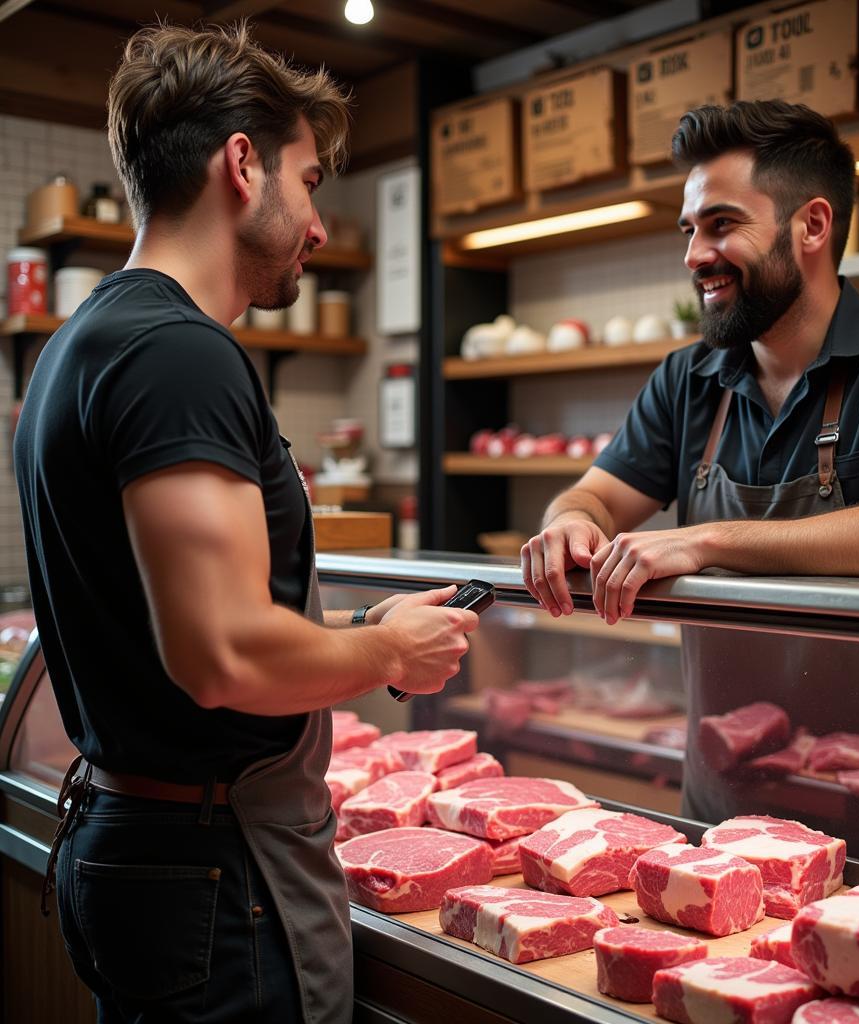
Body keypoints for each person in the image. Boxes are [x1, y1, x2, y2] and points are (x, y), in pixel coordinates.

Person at [14, 22, 476, 1024]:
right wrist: (384, 644)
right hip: (213, 878)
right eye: (309, 181)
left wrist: (358, 644)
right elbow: (220, 654)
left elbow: (180, 630)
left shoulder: (83, 342)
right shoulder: (179, 354)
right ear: (240, 165)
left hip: (142, 845)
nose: (317, 223)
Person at [521, 101, 859, 846]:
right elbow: (594, 494)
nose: (693, 255)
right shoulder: (690, 379)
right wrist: (570, 525)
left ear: (812, 226)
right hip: (719, 818)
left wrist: (702, 539)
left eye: (720, 224)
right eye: (690, 231)